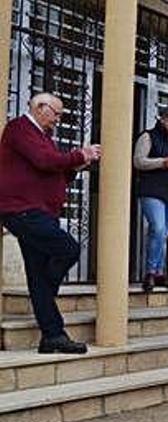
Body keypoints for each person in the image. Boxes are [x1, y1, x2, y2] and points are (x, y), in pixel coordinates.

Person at [0, 93, 101, 354]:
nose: (58, 119)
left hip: (40, 210)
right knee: (68, 249)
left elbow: (54, 172)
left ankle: (52, 336)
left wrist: (77, 165)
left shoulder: (43, 138)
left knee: (36, 276)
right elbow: (45, 161)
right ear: (40, 108)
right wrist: (79, 154)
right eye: (56, 113)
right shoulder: (19, 129)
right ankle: (47, 294)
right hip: (22, 210)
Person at [133, 105, 168, 292]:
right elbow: (138, 161)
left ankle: (158, 272)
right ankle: (150, 272)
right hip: (152, 190)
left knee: (163, 234)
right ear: (163, 120)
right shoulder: (148, 136)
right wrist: (162, 162)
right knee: (158, 228)